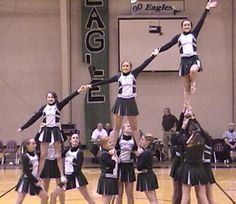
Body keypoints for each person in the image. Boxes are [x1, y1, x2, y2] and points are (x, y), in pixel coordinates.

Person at [86, 49, 159, 146]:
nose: (125, 67)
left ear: (130, 67)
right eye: (123, 66)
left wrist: (153, 55)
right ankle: (112, 148)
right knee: (116, 127)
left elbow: (144, 65)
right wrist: (91, 85)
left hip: (131, 101)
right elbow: (105, 81)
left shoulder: (134, 74)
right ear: (121, 68)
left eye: (127, 66)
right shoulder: (118, 76)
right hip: (120, 101)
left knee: (134, 127)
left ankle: (139, 147)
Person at [17, 86, 87, 183]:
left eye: (52, 97)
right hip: (46, 130)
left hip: (55, 130)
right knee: (43, 155)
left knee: (58, 155)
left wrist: (77, 91)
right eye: (48, 97)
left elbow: (68, 99)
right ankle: (38, 176)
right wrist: (23, 127)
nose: (50, 98)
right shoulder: (44, 108)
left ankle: (62, 175)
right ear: (46, 98)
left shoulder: (58, 106)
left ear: (55, 98)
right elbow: (34, 118)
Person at [156, 0, 217, 104]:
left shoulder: (194, 34)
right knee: (185, 87)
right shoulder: (178, 37)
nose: (187, 26)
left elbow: (201, 22)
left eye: (188, 25)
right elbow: (169, 45)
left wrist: (207, 9)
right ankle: (187, 106)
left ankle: (193, 82)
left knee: (193, 71)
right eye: (185, 25)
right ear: (182, 27)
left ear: (191, 26)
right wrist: (159, 50)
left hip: (193, 58)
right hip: (184, 60)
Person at [50, 133, 95, 204]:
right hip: (67, 176)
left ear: (79, 140)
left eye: (77, 138)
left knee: (88, 198)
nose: (75, 139)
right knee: (53, 195)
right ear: (70, 140)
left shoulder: (80, 152)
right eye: (73, 138)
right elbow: (58, 157)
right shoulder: (67, 150)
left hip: (76, 177)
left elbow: (78, 169)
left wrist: (67, 179)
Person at [15, 138, 48, 204]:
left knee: (45, 197)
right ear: (27, 146)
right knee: (19, 201)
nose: (35, 145)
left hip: (34, 180)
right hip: (27, 180)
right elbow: (27, 172)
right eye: (33, 144)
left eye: (35, 143)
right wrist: (36, 181)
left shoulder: (35, 154)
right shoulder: (25, 156)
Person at [115, 122, 137, 204]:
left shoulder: (134, 139)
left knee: (130, 193)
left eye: (130, 125)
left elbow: (138, 150)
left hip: (129, 166)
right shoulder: (118, 139)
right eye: (128, 126)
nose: (130, 127)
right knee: (119, 193)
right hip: (120, 166)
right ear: (123, 129)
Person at [136, 133, 159, 204]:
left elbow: (139, 166)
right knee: (153, 199)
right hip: (148, 175)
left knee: (152, 199)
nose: (140, 141)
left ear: (148, 141)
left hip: (146, 176)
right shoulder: (148, 151)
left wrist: (138, 156)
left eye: (142, 139)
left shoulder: (146, 153)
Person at [97, 135, 119, 204]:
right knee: (107, 201)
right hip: (107, 179)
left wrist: (114, 154)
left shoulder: (109, 153)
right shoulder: (104, 155)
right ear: (104, 145)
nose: (111, 144)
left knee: (109, 201)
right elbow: (112, 164)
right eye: (109, 142)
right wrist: (112, 156)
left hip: (111, 178)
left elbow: (118, 161)